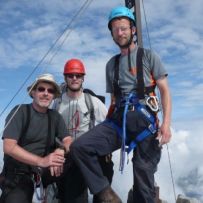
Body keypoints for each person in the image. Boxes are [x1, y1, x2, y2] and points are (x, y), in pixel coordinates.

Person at [70, 6, 172, 203]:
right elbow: (114, 100)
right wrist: (104, 128)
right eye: (115, 29)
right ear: (112, 34)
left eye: (124, 28)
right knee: (80, 147)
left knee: (143, 175)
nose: (120, 32)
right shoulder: (111, 65)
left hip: (145, 123)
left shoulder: (149, 56)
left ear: (133, 29)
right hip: (119, 121)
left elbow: (165, 91)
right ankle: (107, 195)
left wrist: (166, 124)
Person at [0, 73, 72, 203]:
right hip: (19, 174)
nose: (46, 93)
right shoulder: (20, 111)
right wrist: (42, 161)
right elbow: (8, 147)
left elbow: (68, 140)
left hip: (43, 173)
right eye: (41, 89)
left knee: (77, 163)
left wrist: (61, 150)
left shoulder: (55, 117)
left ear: (53, 96)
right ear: (33, 92)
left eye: (50, 91)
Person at [52, 58, 114, 203]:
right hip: (67, 156)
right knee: (74, 196)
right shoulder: (58, 103)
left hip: (88, 155)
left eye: (78, 75)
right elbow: (51, 129)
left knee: (102, 195)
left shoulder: (92, 101)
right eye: (70, 75)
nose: (74, 78)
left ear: (83, 78)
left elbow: (110, 124)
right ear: (65, 78)